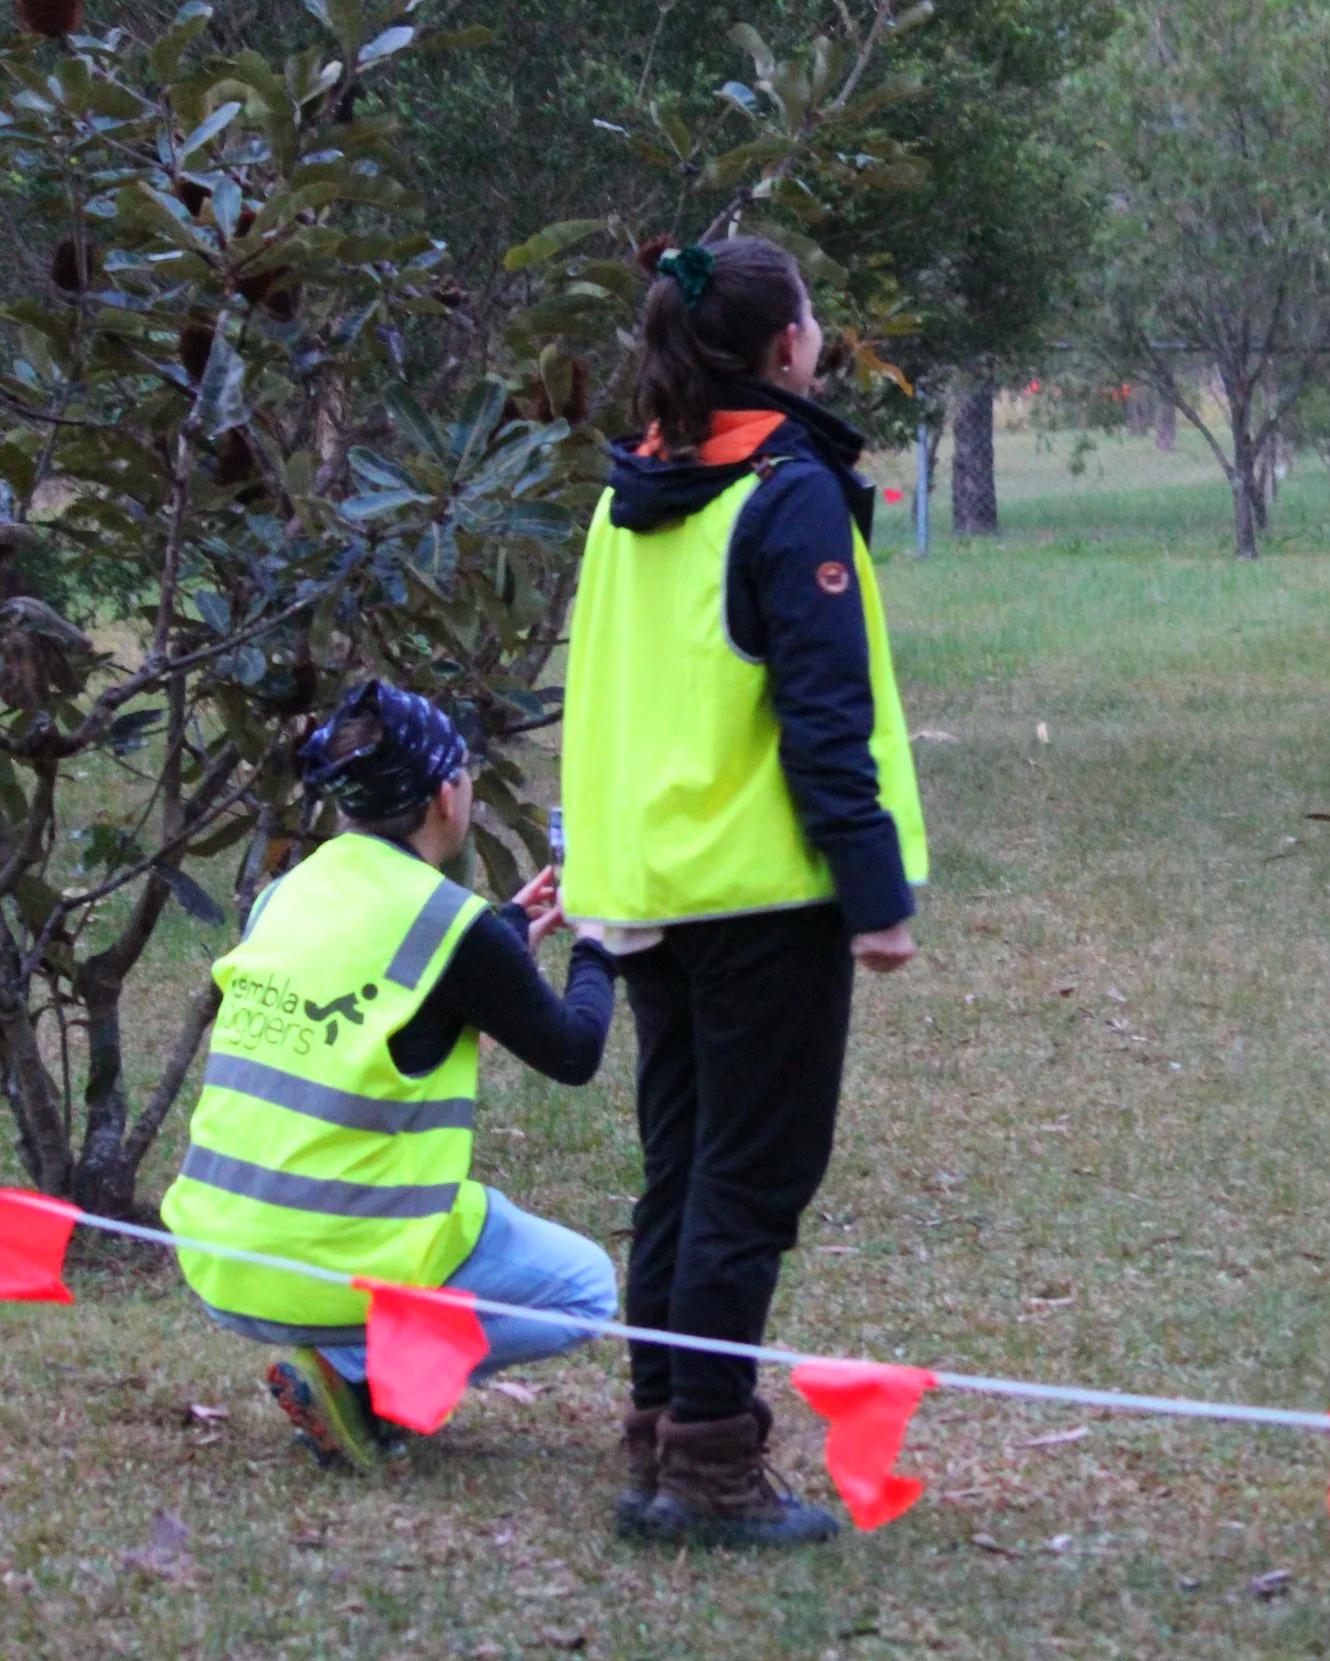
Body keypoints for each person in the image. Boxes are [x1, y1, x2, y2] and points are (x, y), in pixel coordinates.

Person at [561, 236, 928, 1548]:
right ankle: (711, 1468)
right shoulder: (787, 493)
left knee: (683, 1168)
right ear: (786, 349)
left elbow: (611, 696)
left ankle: (658, 1430)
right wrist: (874, 894)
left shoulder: (629, 493)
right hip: (763, 896)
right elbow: (825, 715)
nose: (819, 333)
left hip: (650, 887)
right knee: (749, 1180)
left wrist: (589, 859)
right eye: (814, 318)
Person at [160, 680, 621, 1471]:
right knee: (587, 1291)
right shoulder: (451, 926)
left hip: (219, 1260)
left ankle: (344, 1360)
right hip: (338, 1262)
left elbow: (374, 980)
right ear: (447, 796)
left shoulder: (281, 894)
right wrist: (600, 946)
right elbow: (575, 1052)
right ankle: (357, 1373)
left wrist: (503, 932)